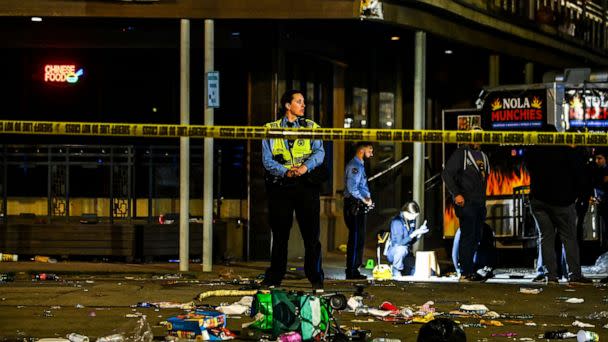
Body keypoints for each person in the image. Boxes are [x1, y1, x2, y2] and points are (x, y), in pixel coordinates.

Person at [261, 89, 325, 290]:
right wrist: (285, 172)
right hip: (281, 186)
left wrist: (304, 168)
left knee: (311, 236)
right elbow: (266, 159)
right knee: (280, 235)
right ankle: (274, 277)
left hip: (306, 185)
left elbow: (319, 152)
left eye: (303, 101)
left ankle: (315, 277)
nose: (304, 105)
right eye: (299, 102)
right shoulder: (270, 129)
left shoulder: (312, 127)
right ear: (287, 105)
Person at [524, 124, 592, 285]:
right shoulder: (566, 151)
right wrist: (580, 195)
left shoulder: (532, 152)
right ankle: (574, 275)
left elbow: (528, 168)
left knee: (545, 238)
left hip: (539, 201)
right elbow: (579, 174)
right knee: (569, 238)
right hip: (562, 202)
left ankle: (551, 276)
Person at [442, 127, 490, 282]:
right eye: (475, 136)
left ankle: (470, 270)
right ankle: (465, 272)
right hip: (467, 203)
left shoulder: (483, 155)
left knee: (476, 236)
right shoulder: (461, 153)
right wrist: (456, 194)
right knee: (468, 236)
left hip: (479, 203)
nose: (477, 139)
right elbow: (447, 174)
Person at [343, 141, 374, 280]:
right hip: (354, 205)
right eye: (370, 150)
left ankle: (354, 269)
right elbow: (352, 188)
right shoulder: (354, 166)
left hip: (358, 205)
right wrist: (364, 199)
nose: (371, 153)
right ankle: (351, 270)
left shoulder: (360, 165)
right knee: (355, 239)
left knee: (359, 238)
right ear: (361, 150)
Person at [383, 201, 429, 277]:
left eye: (416, 216)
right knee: (402, 249)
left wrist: (419, 233)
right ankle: (396, 269)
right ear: (406, 212)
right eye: (414, 216)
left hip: (406, 253)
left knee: (420, 270)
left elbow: (410, 241)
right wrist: (414, 233)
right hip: (395, 252)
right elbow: (400, 243)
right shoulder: (397, 221)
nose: (414, 218)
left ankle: (404, 270)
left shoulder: (411, 220)